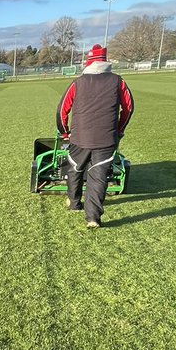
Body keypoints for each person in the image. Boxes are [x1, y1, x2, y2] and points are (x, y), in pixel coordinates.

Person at [56, 45, 133, 228]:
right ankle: (93, 218)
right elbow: (128, 108)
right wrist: (119, 129)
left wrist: (65, 132)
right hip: (106, 139)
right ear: (105, 62)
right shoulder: (118, 81)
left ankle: (74, 204)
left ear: (88, 63)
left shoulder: (78, 82)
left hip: (80, 138)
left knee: (75, 168)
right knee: (98, 177)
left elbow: (62, 110)